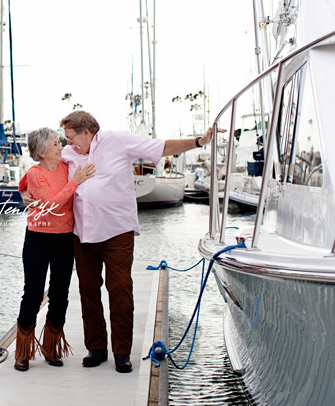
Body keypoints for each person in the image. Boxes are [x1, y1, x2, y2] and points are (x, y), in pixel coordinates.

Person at [58, 110, 215, 373]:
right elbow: (49, 171)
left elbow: (160, 147)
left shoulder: (117, 141)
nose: (67, 143)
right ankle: (96, 348)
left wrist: (199, 141)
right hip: (83, 232)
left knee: (120, 288)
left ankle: (122, 352)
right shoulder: (69, 154)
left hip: (117, 230)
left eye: (71, 137)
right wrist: (29, 189)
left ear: (87, 132)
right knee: (88, 289)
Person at [14, 127, 95, 371]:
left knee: (60, 294)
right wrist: (75, 182)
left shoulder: (66, 165)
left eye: (60, 143)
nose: (61, 146)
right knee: (33, 293)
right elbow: (51, 203)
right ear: (41, 151)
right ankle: (23, 351)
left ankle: (51, 348)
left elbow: (84, 151)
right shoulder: (36, 173)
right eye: (55, 144)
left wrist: (22, 190)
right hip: (38, 239)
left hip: (63, 239)